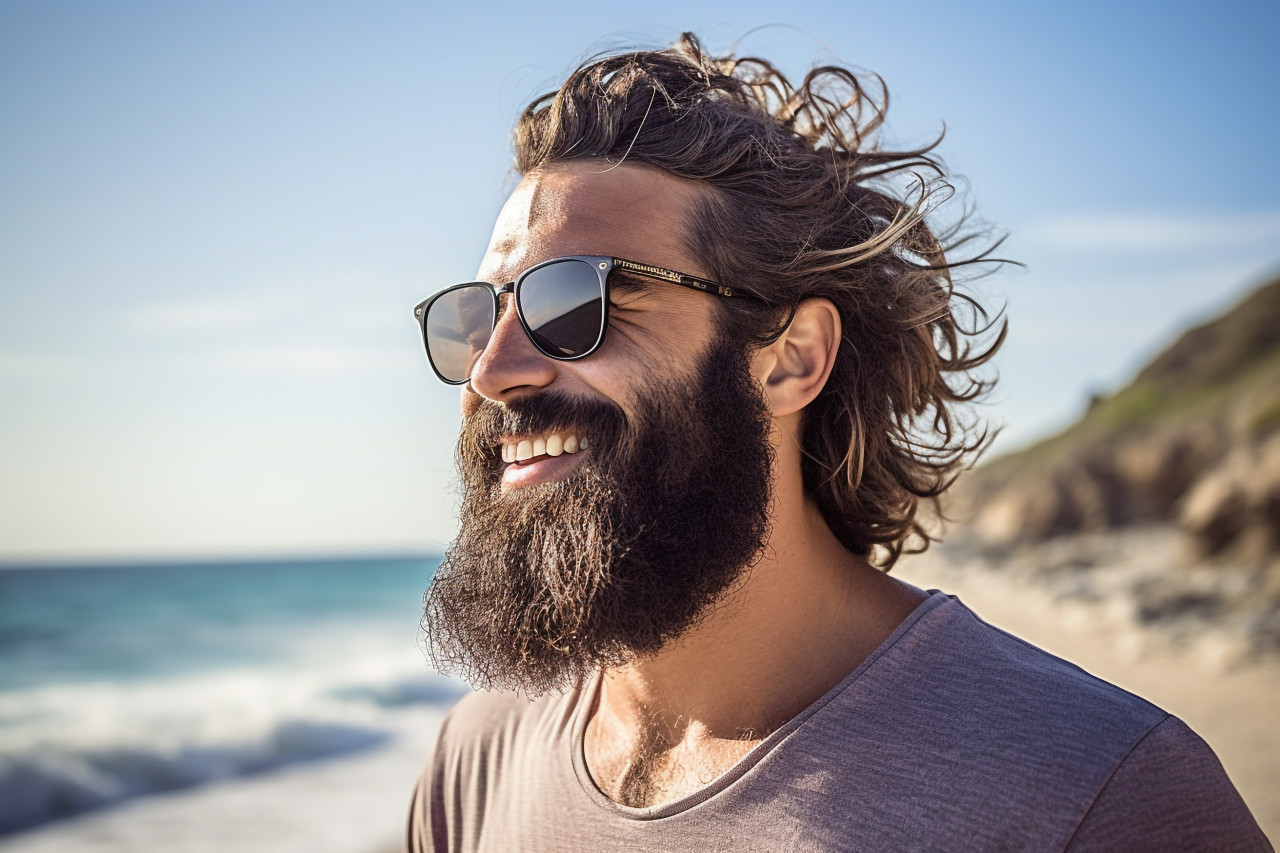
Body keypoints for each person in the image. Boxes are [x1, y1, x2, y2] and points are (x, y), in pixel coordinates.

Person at [405, 33, 1269, 852]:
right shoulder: (474, 765)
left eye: (573, 303)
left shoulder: (1101, 796)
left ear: (791, 359)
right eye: (480, 314)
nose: (492, 370)